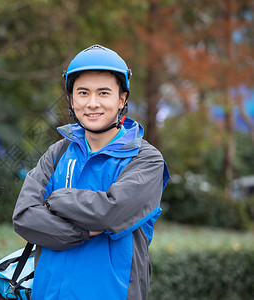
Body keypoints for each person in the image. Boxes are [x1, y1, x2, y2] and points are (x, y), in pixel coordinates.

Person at [12, 44, 170, 300]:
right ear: (71, 100)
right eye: (83, 92)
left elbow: (109, 213)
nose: (92, 103)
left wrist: (56, 199)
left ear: (122, 99)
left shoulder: (146, 159)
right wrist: (83, 233)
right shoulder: (58, 151)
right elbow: (24, 216)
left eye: (103, 93)